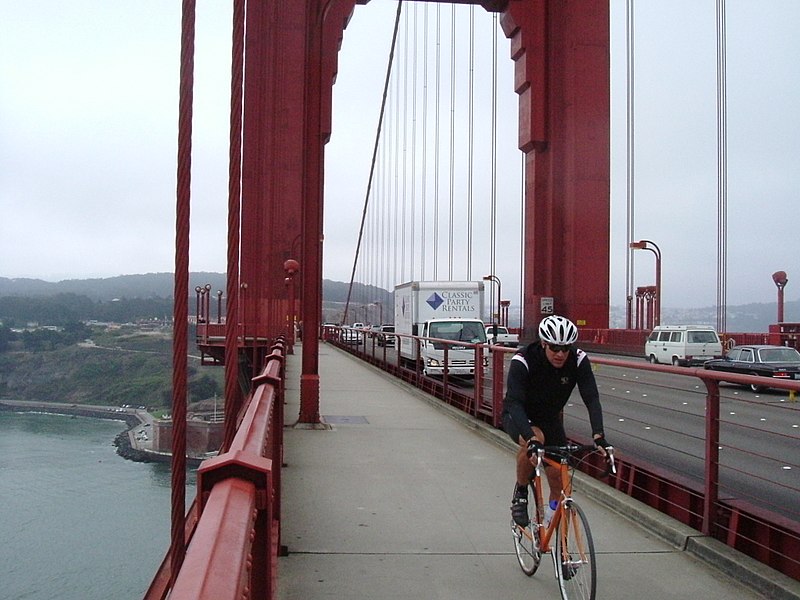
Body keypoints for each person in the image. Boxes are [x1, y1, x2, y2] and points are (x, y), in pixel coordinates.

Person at [502, 314, 611, 527]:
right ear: (543, 343)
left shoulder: (578, 360)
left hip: (550, 418)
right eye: (554, 348)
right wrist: (531, 439)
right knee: (536, 439)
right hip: (519, 416)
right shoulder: (523, 360)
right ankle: (521, 493)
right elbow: (514, 402)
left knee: (558, 478)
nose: (561, 354)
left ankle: (552, 523)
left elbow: (592, 397)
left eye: (566, 348)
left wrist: (599, 435)